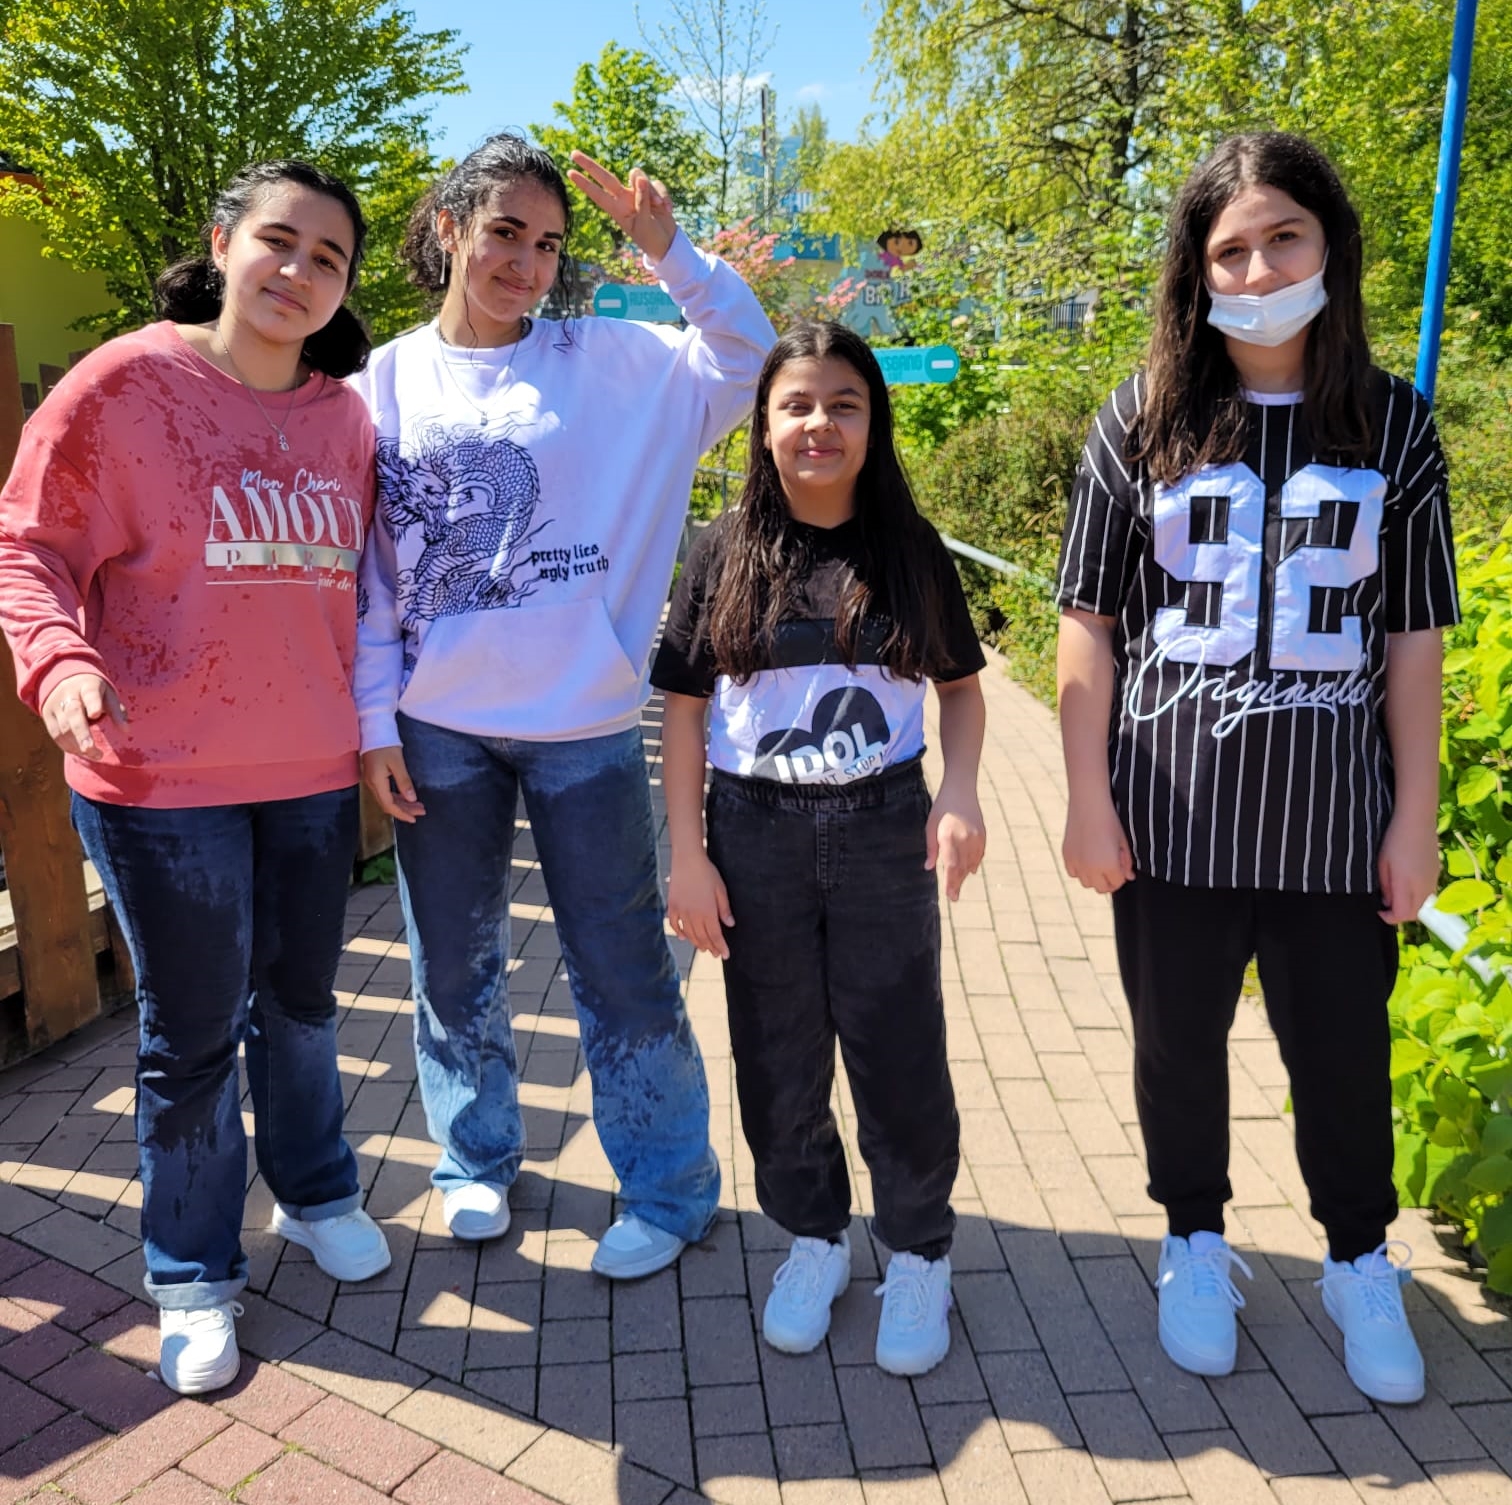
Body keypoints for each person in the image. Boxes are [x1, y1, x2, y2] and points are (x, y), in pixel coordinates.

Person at [1055, 132, 1458, 1405]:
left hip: (1333, 823)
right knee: (1176, 1048)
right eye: (1231, 249)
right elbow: (1088, 621)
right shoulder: (1143, 417)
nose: (1260, 268)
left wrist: (1414, 817)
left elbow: (1414, 637)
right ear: (1198, 270)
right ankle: (1193, 1240)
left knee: (1342, 1054)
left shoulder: (1394, 424)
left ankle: (1357, 1257)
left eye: (1284, 237)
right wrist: (1085, 796)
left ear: (1330, 244)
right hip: (1171, 816)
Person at [0, 160, 391, 1395]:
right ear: (223, 244)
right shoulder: (124, 384)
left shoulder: (346, 419)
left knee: (304, 1003)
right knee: (192, 1032)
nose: (299, 271)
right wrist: (60, 661)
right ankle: (191, 1270)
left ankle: (316, 1190)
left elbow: (373, 584)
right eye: (279, 241)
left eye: (328, 258)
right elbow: (28, 547)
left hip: (311, 771)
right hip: (160, 782)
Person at [355, 132, 774, 1276]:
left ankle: (669, 1186)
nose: (527, 264)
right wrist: (376, 721)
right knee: (452, 962)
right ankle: (474, 1156)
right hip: (439, 727)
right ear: (449, 229)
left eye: (547, 244)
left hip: (584, 726)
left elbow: (750, 357)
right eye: (505, 233)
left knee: (622, 962)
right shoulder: (379, 385)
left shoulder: (613, 363)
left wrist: (671, 251)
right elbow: (370, 582)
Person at [652, 320, 988, 1375]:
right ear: (763, 424)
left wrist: (961, 791)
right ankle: (815, 1237)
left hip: (883, 828)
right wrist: (688, 854)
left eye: (844, 403)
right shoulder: (721, 551)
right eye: (796, 403)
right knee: (777, 1053)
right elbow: (684, 713)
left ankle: (919, 1250)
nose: (819, 423)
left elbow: (962, 689)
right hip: (754, 834)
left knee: (898, 1048)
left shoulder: (909, 547)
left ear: (873, 420)